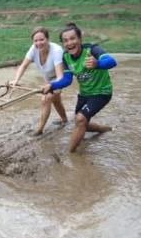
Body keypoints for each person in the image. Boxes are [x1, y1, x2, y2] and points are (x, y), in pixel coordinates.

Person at [43, 23, 117, 152]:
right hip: (85, 94)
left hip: (102, 92)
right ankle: (105, 129)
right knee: (81, 123)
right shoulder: (66, 57)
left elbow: (112, 61)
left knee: (80, 119)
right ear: (63, 44)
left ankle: (70, 154)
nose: (69, 43)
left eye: (72, 38)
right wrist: (52, 85)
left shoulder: (92, 49)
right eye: (65, 41)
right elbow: (67, 80)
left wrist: (97, 63)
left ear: (80, 39)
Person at [10, 26, 68, 135]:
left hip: (60, 78)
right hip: (48, 78)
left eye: (41, 39)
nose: (38, 43)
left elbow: (60, 76)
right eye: (35, 40)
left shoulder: (56, 51)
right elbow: (23, 66)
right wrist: (16, 80)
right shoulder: (34, 48)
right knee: (56, 100)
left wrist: (52, 86)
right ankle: (65, 120)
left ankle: (39, 130)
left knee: (46, 99)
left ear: (48, 39)